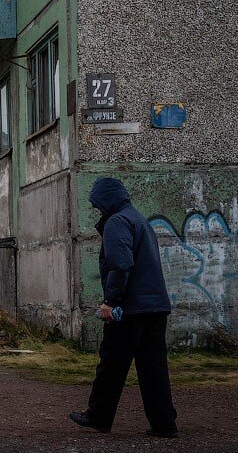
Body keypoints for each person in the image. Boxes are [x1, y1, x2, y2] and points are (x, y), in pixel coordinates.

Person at [69, 177, 179, 438]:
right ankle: (164, 424)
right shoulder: (139, 219)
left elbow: (120, 264)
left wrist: (111, 301)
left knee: (111, 363)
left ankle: (98, 415)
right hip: (155, 306)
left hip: (131, 308)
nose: (98, 210)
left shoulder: (117, 222)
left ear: (106, 199)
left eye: (98, 204)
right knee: (153, 369)